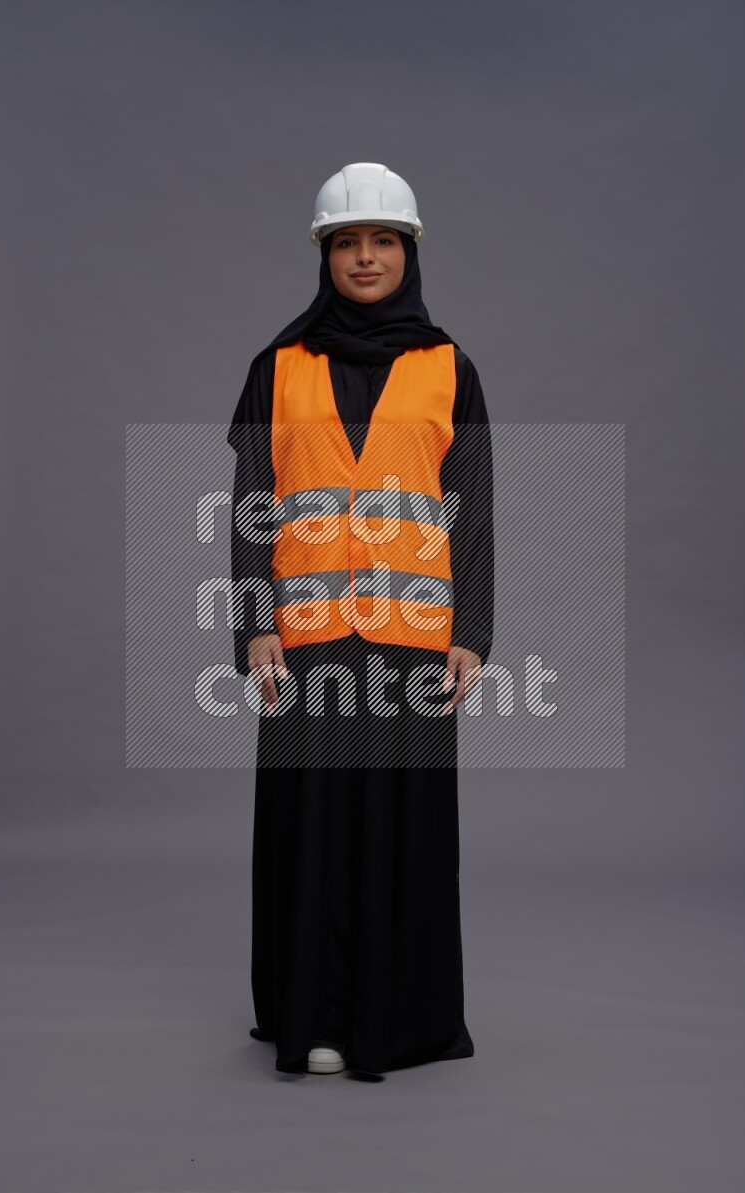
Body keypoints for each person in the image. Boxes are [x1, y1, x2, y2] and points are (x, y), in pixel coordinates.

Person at [227, 163, 495, 1077]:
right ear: (325, 254)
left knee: (400, 829)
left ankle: (397, 1020)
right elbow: (253, 501)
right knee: (311, 829)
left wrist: (474, 631)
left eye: (383, 240)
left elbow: (472, 503)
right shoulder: (278, 367)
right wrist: (253, 620)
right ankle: (314, 1017)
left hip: (412, 643)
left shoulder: (448, 366)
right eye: (349, 241)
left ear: (409, 251)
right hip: (303, 644)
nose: (366, 257)